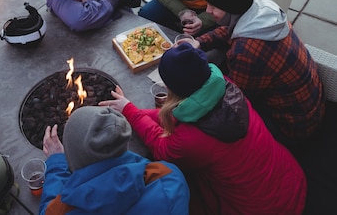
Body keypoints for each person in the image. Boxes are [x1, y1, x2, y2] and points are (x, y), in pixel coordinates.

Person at [101, 43, 307, 215]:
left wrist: (130, 111)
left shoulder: (191, 140)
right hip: (291, 179)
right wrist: (130, 109)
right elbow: (178, 114)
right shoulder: (225, 85)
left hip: (265, 208)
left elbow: (162, 147)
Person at [196, 0, 326, 147]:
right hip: (313, 107)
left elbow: (237, 100)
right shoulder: (263, 13)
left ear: (232, 9)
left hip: (292, 127)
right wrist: (199, 42)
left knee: (213, 124)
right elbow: (231, 30)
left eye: (214, 7)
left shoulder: (245, 53)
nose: (208, 11)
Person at [39, 105, 190, 215]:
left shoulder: (61, 210)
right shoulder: (170, 177)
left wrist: (57, 162)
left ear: (74, 157)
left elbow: (47, 210)